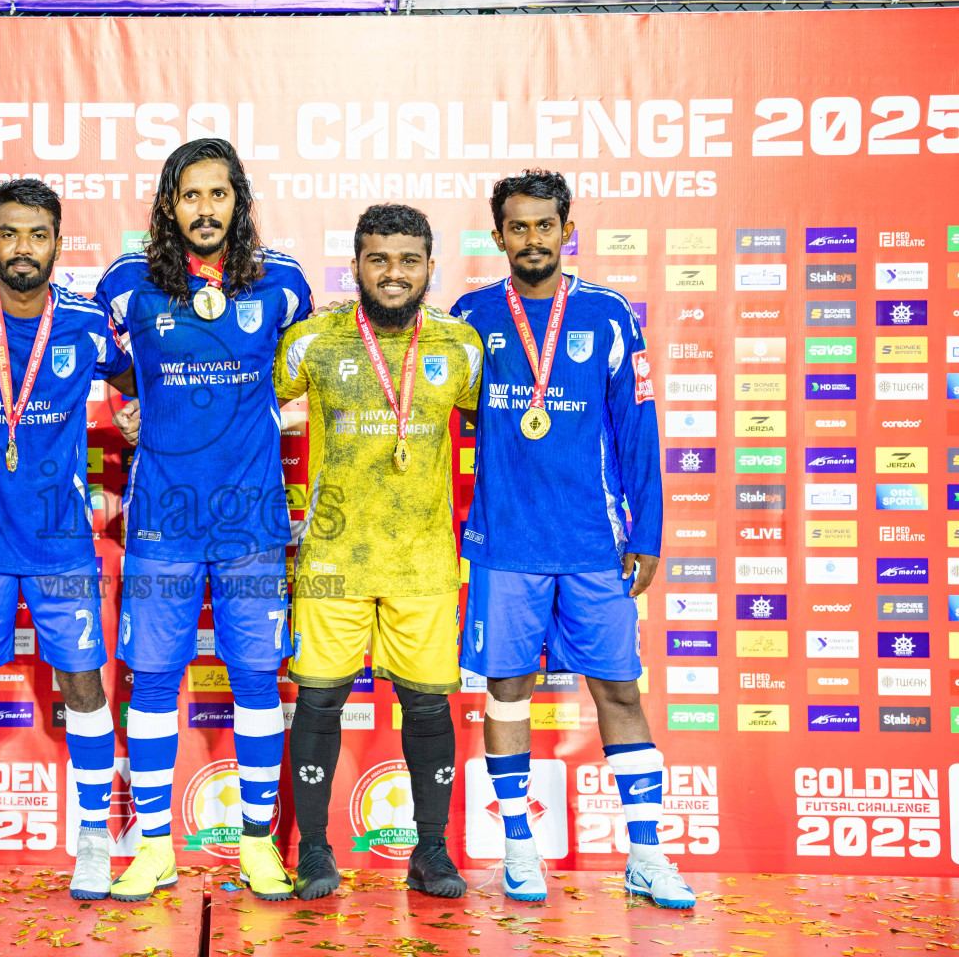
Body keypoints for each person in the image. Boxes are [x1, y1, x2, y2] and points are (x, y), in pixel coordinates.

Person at [450, 170, 691, 909]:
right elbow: (444, 421)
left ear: (567, 230)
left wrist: (645, 532)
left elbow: (636, 431)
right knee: (506, 693)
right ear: (497, 237)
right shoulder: (468, 317)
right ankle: (519, 852)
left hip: (594, 541)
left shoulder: (608, 314)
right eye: (516, 228)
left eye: (543, 225)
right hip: (505, 543)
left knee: (619, 690)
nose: (531, 239)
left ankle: (646, 854)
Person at [96, 138, 313, 902]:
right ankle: (154, 849)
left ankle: (257, 846)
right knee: (153, 676)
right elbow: (108, 362)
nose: (204, 209)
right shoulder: (125, 285)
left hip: (251, 518)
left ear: (238, 202)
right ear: (167, 205)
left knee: (257, 675)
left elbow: (299, 365)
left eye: (218, 195)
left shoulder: (283, 282)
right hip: (161, 520)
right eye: (190, 195)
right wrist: (129, 403)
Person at [0, 179, 137, 903]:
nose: (23, 249)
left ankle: (94, 842)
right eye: (8, 234)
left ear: (57, 243)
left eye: (37, 235)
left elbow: (144, 378)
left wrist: (138, 421)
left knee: (82, 688)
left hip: (60, 540)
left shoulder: (87, 322)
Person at [273, 204, 482, 900]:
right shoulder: (312, 342)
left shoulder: (460, 347)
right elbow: (248, 407)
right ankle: (312, 854)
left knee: (427, 710)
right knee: (318, 704)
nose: (393, 274)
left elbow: (511, 432)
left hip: (423, 562)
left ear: (429, 266)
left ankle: (431, 854)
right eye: (377, 259)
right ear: (355, 265)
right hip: (333, 560)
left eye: (408, 260)